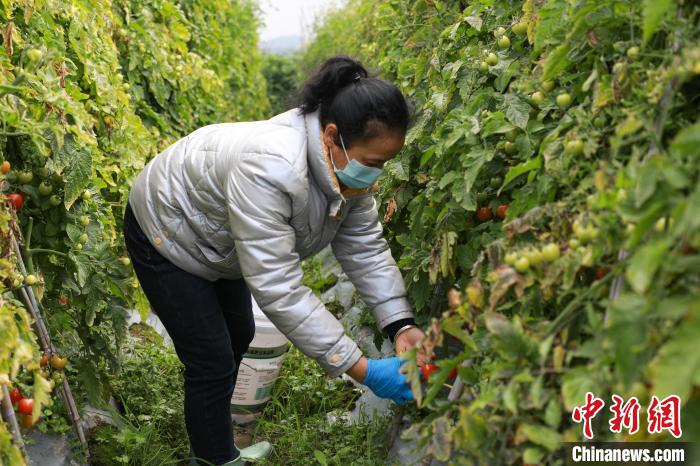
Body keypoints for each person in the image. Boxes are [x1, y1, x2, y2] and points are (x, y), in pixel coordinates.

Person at [122, 55, 428, 466]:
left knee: (239, 333)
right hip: (167, 226)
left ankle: (218, 442)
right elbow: (278, 285)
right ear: (333, 136)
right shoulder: (270, 167)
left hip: (220, 237)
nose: (376, 175)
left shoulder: (344, 169)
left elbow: (365, 249)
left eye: (384, 164)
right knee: (211, 356)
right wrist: (361, 369)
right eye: (372, 163)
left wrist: (400, 323)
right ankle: (215, 460)